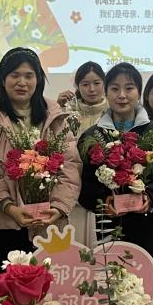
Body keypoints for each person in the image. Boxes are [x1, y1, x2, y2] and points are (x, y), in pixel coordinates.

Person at [0, 46, 80, 272]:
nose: (22, 82)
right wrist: (10, 208)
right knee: (5, 291)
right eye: (15, 75)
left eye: (29, 76)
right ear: (3, 80)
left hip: (47, 222)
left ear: (38, 80)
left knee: (46, 290)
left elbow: (71, 165)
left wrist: (58, 208)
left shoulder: (55, 117)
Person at [76, 63, 153, 270]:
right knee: (107, 280)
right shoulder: (91, 136)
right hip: (105, 226)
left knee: (145, 281)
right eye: (115, 88)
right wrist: (102, 200)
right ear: (106, 92)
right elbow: (82, 183)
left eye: (129, 88)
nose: (122, 95)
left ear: (139, 93)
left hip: (147, 225)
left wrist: (150, 197)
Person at [57, 62, 107, 248]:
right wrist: (56, 108)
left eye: (97, 83)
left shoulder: (114, 111)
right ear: (77, 86)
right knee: (75, 247)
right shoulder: (68, 113)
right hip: (73, 188)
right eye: (85, 84)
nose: (91, 89)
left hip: (105, 191)